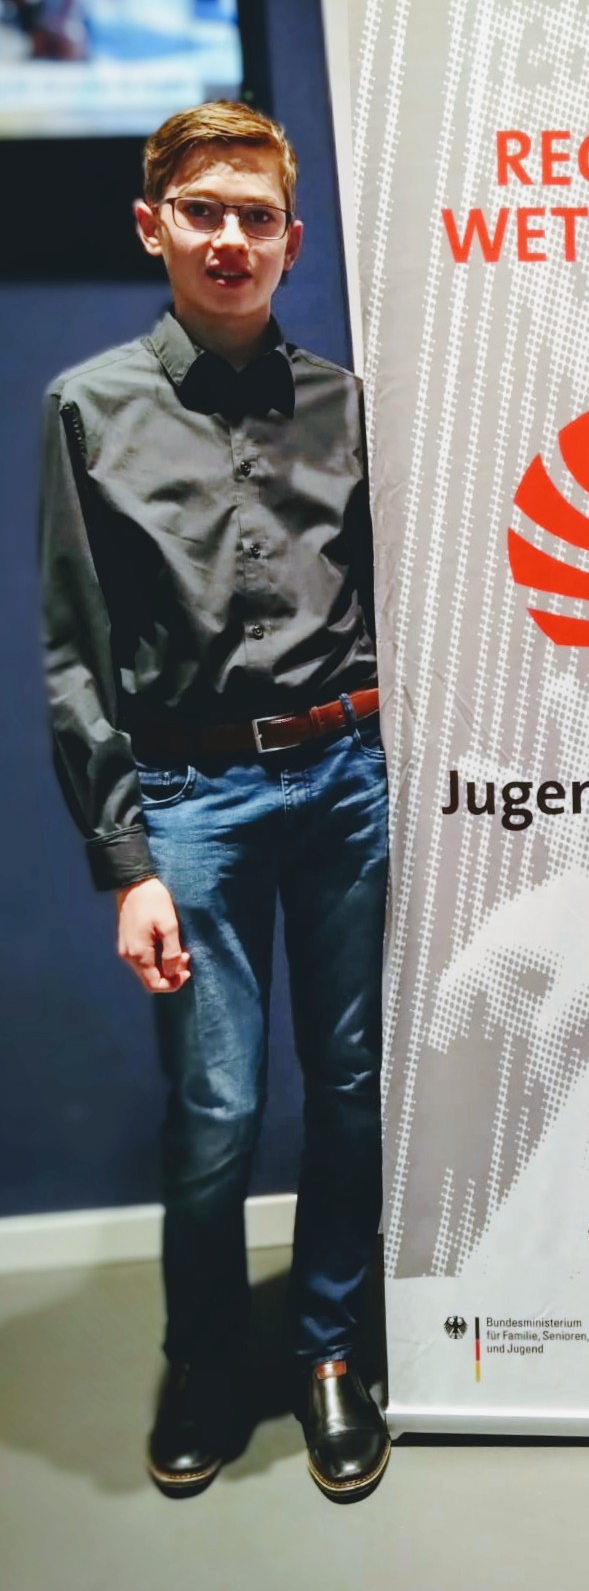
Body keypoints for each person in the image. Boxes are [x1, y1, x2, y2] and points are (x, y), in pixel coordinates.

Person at [40, 102, 390, 1501]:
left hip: (349, 779)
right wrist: (125, 858)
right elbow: (75, 652)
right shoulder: (89, 407)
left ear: (291, 240)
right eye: (204, 212)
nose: (231, 238)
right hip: (191, 797)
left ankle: (328, 1348)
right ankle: (203, 1358)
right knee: (218, 1104)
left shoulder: (349, 403)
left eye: (256, 216)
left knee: (352, 1088)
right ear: (155, 227)